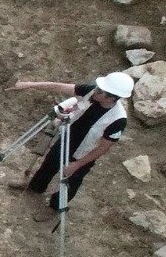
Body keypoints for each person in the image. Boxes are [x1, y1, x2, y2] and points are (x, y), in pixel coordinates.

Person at [9, 72, 135, 217]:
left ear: (112, 98)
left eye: (100, 91)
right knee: (49, 163)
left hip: (84, 152)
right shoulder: (91, 91)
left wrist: (77, 164)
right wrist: (28, 85)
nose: (96, 90)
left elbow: (104, 147)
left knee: (70, 181)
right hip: (67, 138)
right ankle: (35, 187)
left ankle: (54, 208)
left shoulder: (118, 120)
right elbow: (59, 87)